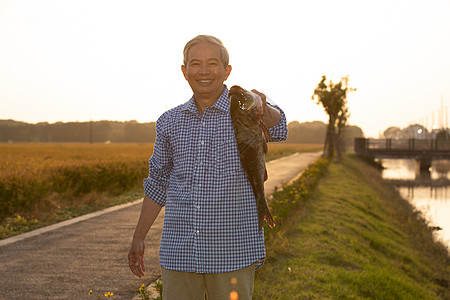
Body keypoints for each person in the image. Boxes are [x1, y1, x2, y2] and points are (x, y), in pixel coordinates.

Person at [128, 35, 287, 300]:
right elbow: (157, 183)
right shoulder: (169, 121)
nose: (203, 71)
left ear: (227, 71)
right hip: (180, 253)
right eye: (195, 64)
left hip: (233, 253)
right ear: (184, 71)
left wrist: (264, 107)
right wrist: (139, 237)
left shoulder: (245, 110)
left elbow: (279, 127)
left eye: (212, 63)